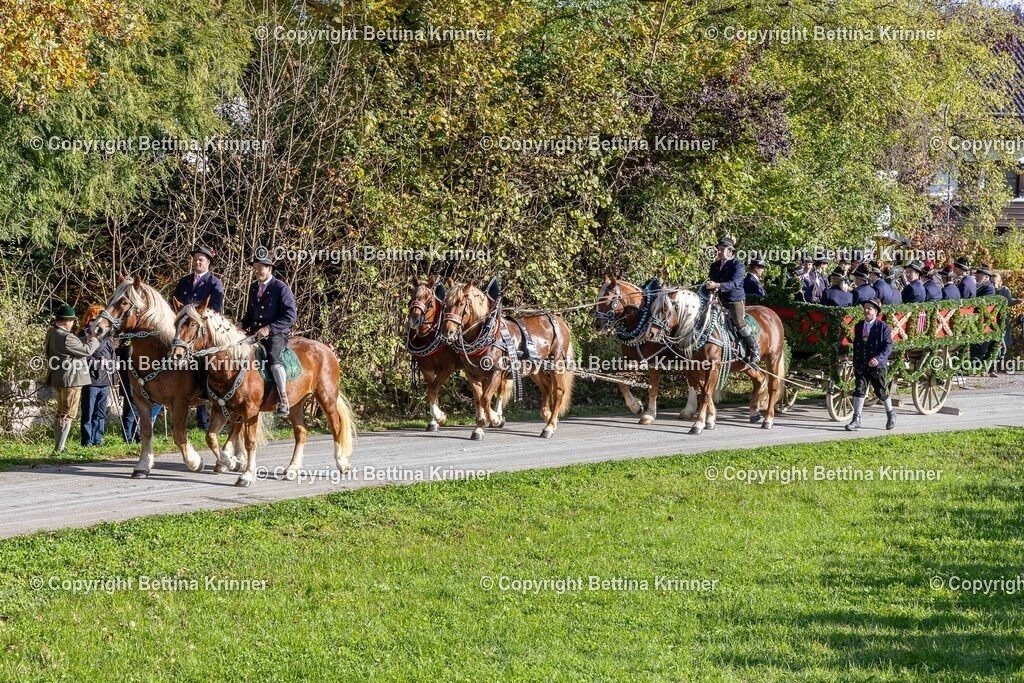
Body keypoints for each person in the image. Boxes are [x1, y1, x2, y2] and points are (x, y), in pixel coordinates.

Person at [171, 245, 224, 431]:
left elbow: (215, 309)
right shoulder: (184, 281)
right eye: (195, 259)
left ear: (208, 262)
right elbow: (175, 304)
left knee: (204, 363)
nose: (197, 261)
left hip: (203, 330)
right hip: (184, 329)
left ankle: (204, 409)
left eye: (201, 259)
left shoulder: (214, 283)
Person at [241, 252, 298, 416]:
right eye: (255, 268)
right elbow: (250, 315)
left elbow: (290, 315)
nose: (257, 271)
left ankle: (283, 398)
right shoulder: (253, 287)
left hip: (276, 334)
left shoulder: (280, 288)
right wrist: (240, 325)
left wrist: (269, 328)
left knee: (273, 358)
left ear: (269, 268)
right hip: (255, 334)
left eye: (261, 268)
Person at [44, 304, 102, 452]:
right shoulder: (67, 337)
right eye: (71, 321)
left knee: (60, 412)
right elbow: (87, 351)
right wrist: (95, 339)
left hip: (58, 378)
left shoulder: (52, 332)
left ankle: (58, 446)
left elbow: (71, 344)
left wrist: (85, 338)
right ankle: (60, 447)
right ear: (65, 321)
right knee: (68, 414)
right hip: (72, 379)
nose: (73, 324)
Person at [704, 237, 759, 364]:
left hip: (734, 300)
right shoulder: (714, 266)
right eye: (718, 249)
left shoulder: (738, 266)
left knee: (739, 322)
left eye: (722, 249)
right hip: (717, 299)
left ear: (730, 251)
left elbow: (734, 283)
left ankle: (754, 348)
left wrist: (717, 285)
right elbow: (711, 281)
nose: (719, 252)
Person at [846, 298, 896, 431]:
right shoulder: (859, 325)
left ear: (876, 312)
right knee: (859, 389)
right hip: (862, 363)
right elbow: (857, 344)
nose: (866, 310)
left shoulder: (883, 327)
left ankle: (891, 414)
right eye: (865, 308)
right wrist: (855, 361)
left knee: (880, 391)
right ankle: (856, 419)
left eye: (870, 308)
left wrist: (878, 358)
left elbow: (888, 347)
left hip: (877, 366)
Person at [79, 306, 115, 446]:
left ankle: (98, 439)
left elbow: (113, 357)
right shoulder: (84, 337)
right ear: (88, 320)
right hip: (91, 381)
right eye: (93, 319)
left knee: (100, 413)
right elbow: (83, 357)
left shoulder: (108, 339)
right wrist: (98, 363)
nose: (97, 323)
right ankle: (87, 441)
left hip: (105, 381)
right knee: (88, 413)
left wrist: (113, 364)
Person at [114, 340, 162, 443]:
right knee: (130, 412)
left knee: (139, 412)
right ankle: (127, 437)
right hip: (129, 384)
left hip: (139, 385)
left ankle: (138, 435)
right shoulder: (124, 350)